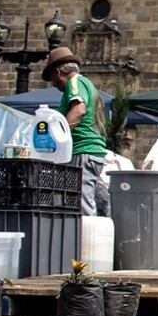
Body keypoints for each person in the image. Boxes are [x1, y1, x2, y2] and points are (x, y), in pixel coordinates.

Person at [42, 47, 109, 217]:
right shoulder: (86, 84)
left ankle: (85, 240)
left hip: (83, 150)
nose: (53, 83)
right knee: (85, 197)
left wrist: (58, 137)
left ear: (58, 72)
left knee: (81, 202)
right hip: (89, 151)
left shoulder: (75, 82)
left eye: (52, 78)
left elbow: (78, 110)